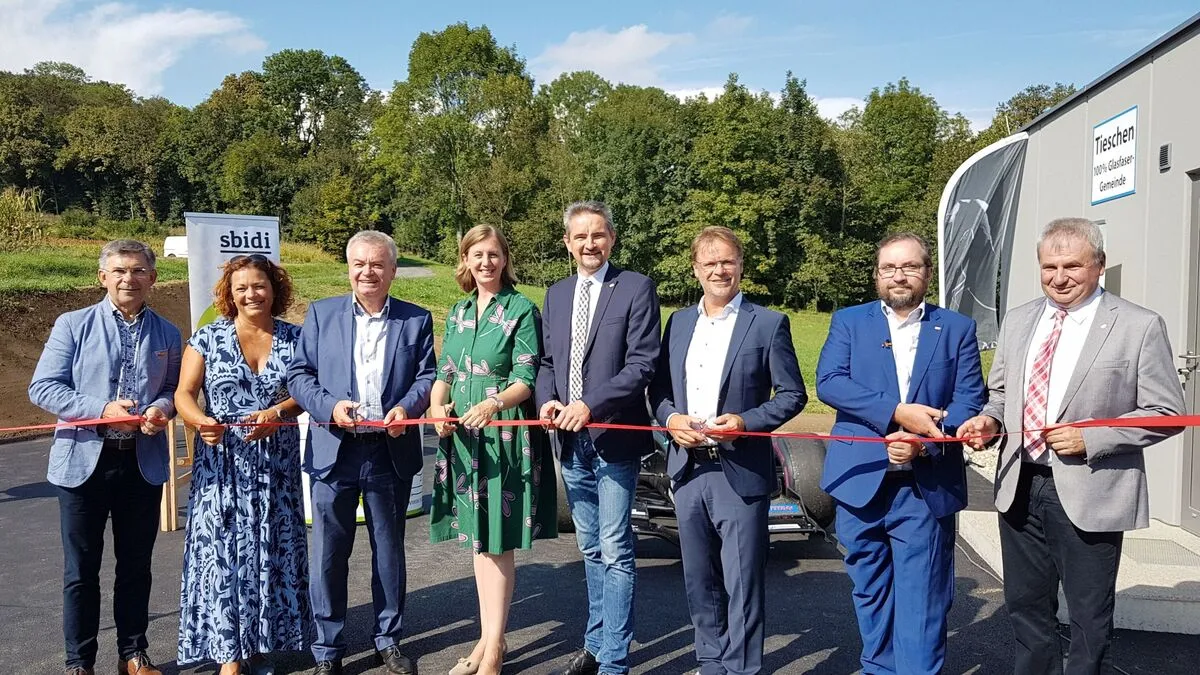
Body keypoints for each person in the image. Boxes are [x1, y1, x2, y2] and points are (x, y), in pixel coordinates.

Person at [958, 218, 1185, 674]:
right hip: (1019, 484)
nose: (1059, 278)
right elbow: (1001, 394)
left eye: (1072, 266)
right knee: (1025, 607)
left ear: (1098, 266)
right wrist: (989, 419)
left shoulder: (1138, 325)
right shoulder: (1021, 320)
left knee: (1088, 618)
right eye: (1049, 267)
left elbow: (1166, 413)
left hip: (1091, 489)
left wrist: (1092, 438)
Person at [815, 233, 985, 674]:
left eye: (909, 266)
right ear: (877, 275)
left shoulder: (957, 328)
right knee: (870, 592)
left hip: (923, 487)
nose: (899, 276)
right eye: (889, 268)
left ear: (927, 273)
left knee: (923, 597)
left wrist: (925, 439)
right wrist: (897, 414)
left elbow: (970, 399)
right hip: (861, 482)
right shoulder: (850, 321)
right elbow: (830, 381)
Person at [649, 227, 807, 675]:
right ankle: (711, 663)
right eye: (710, 262)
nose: (720, 269)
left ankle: (742, 669)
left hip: (739, 470)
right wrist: (670, 420)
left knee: (742, 583)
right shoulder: (678, 322)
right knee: (700, 581)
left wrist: (746, 423)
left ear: (741, 266)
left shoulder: (768, 323)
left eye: (728, 261)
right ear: (696, 270)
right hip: (688, 469)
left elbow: (792, 394)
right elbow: (659, 390)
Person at [287, 230, 436, 675]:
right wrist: (330, 406)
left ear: (392, 270)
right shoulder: (321, 314)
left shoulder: (416, 319)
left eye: (377, 264)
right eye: (359, 264)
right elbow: (299, 375)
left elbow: (426, 377)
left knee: (388, 552)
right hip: (336, 450)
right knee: (329, 554)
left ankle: (388, 640)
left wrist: (406, 408)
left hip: (389, 452)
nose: (367, 272)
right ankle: (327, 650)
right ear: (349, 268)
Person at [29, 239, 181, 675]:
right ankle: (80, 663)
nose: (128, 279)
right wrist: (101, 410)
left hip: (141, 463)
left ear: (152, 278)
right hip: (82, 466)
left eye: (137, 271)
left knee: (136, 568)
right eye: (118, 271)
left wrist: (161, 410)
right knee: (81, 573)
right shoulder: (72, 325)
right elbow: (43, 388)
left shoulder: (168, 333)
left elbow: (172, 390)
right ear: (103, 277)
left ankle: (132, 655)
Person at [535, 201, 661, 675]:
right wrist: (548, 400)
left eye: (598, 235)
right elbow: (547, 363)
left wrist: (591, 405)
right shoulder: (556, 294)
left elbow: (643, 363)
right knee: (589, 548)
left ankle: (613, 659)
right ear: (567, 243)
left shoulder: (635, 287)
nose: (590, 244)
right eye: (580, 237)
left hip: (613, 437)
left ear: (611, 238)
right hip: (570, 441)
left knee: (615, 548)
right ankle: (595, 642)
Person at [428, 224, 558, 675]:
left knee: (497, 545)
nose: (486, 262)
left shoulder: (521, 308)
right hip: (463, 440)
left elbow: (527, 378)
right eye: (476, 254)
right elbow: (444, 373)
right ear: (465, 260)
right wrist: (436, 408)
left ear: (505, 259)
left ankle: (495, 647)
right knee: (479, 546)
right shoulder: (459, 310)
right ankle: (486, 640)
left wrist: (491, 402)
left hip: (502, 436)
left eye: (494, 254)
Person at [174, 255, 309, 675]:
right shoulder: (207, 338)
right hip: (223, 467)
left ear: (274, 288)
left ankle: (256, 645)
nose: (251, 294)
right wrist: (200, 422)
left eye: (259, 286)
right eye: (241, 288)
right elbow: (184, 393)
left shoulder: (297, 337)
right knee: (223, 557)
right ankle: (229, 656)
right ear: (229, 295)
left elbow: (309, 392)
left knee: (269, 553)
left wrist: (278, 413)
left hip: (277, 468)